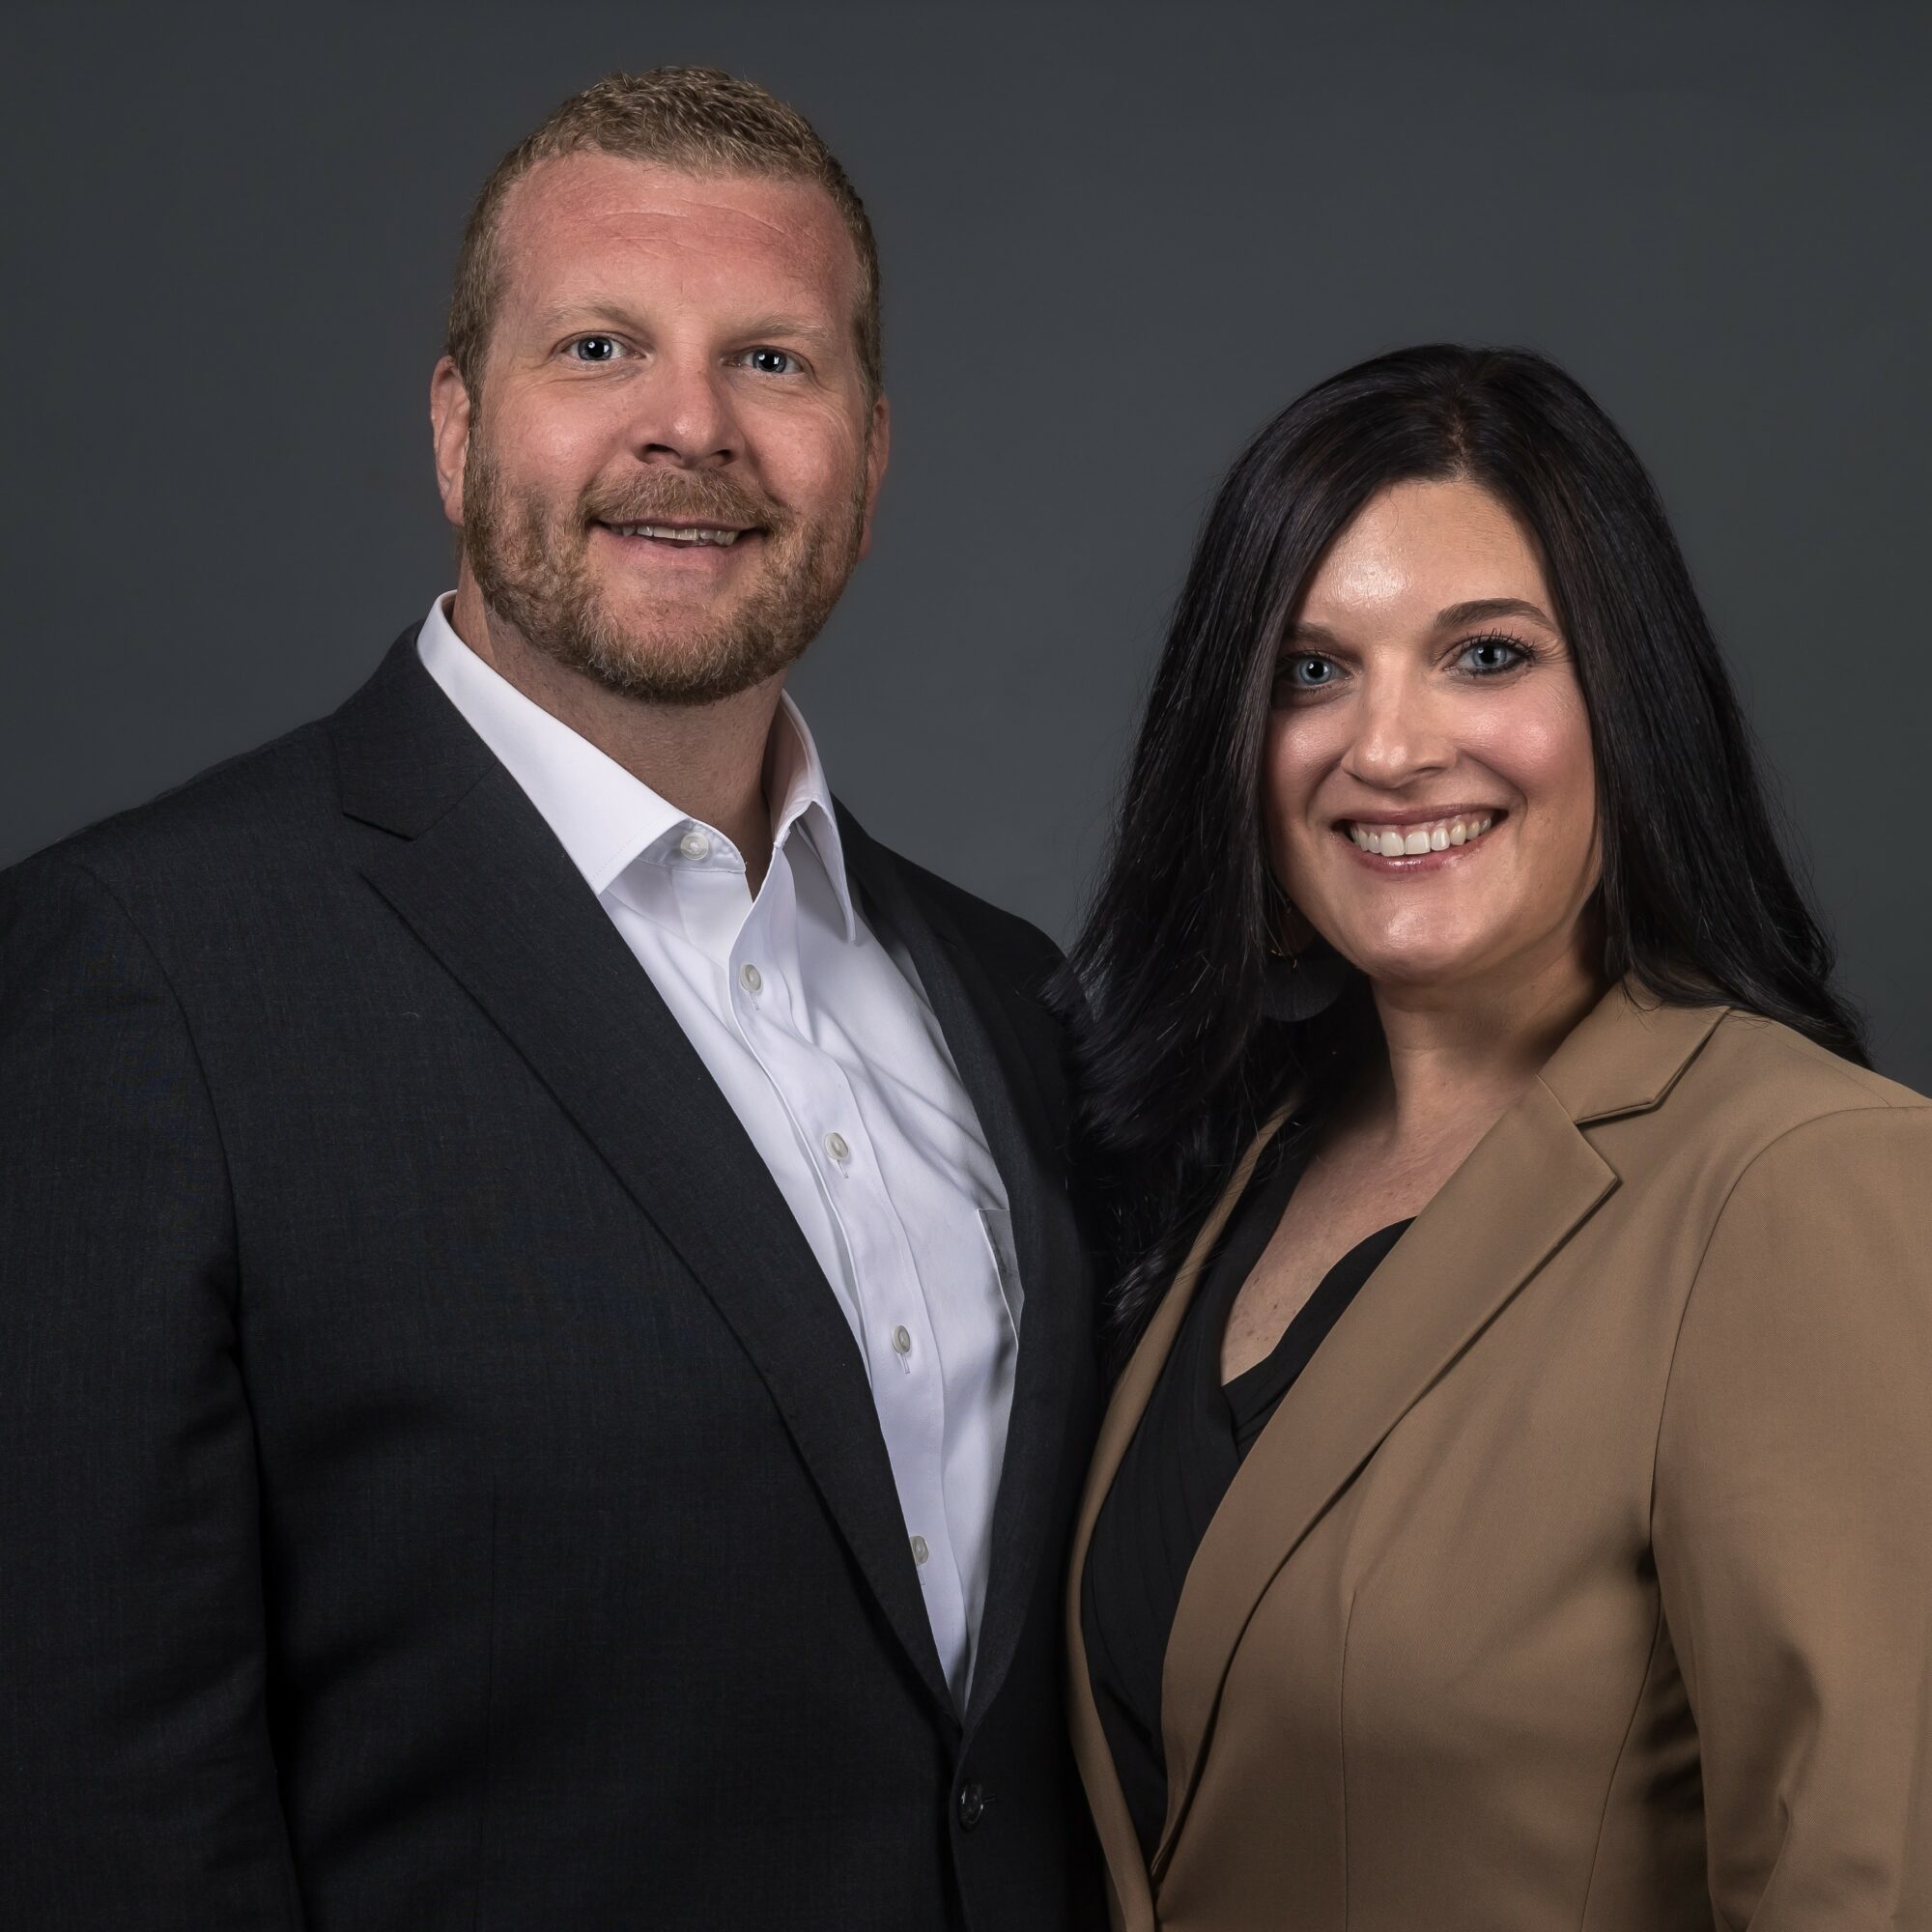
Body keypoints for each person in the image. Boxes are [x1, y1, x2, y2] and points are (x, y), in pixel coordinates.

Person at [0, 68, 1101, 1932]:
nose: (692, 425)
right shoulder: (142, 973)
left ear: (870, 451)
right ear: (456, 429)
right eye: (600, 347)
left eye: (774, 361)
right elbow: (99, 1811)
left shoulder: (1009, 994)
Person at [1060, 344, 1932, 1930]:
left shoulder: (1801, 1180)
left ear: (1625, 700)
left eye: (1485, 655)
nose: (1389, 747)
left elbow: (1865, 1889)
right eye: (1310, 670)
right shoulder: (1235, 1162)